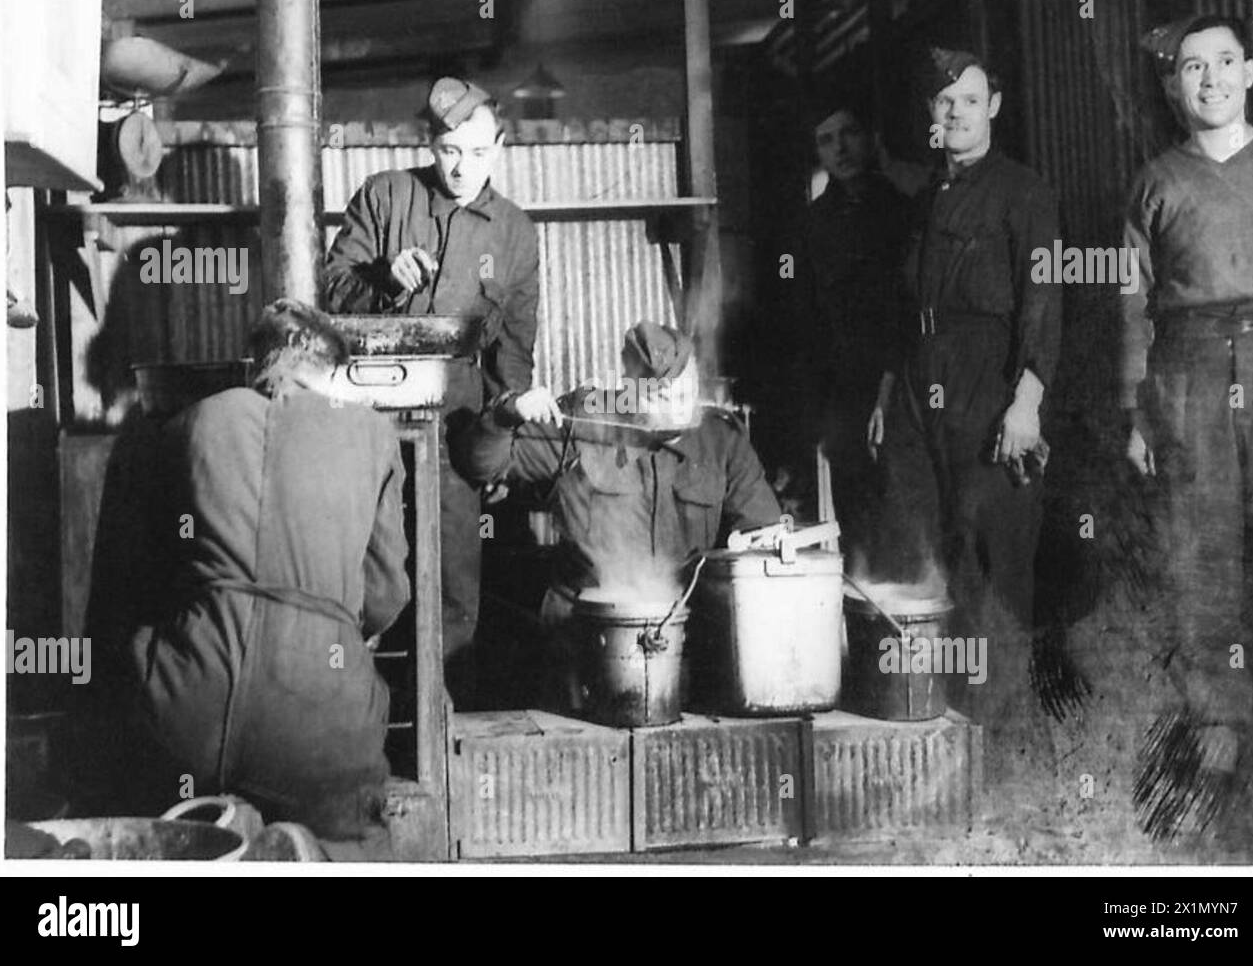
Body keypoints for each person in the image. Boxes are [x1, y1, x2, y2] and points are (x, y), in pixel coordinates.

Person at [89, 300, 410, 839]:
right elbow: (385, 596)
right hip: (317, 731)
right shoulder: (373, 433)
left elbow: (139, 586)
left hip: (185, 718)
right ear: (330, 370)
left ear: (254, 362)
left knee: (167, 840)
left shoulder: (186, 424)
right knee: (340, 848)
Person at [867, 48, 1062, 738]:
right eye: (944, 102)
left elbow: (1043, 298)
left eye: (970, 101)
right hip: (922, 383)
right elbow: (902, 303)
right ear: (930, 113)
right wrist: (890, 389)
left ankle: (1002, 734)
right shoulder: (926, 196)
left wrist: (1027, 400)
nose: (956, 113)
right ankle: (937, 725)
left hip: (991, 382)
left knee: (992, 553)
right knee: (920, 540)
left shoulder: (1024, 191)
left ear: (994, 109)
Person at [322, 76, 551, 659]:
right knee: (364, 572)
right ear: (430, 145)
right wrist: (382, 277)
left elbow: (514, 352)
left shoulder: (516, 234)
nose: (461, 168)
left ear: (499, 147)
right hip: (368, 418)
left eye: (477, 153)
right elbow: (328, 291)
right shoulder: (383, 196)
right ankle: (357, 705)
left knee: (452, 590)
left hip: (457, 424)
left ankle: (445, 715)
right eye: (449, 151)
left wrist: (497, 451)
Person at [452, 321, 782, 709]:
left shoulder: (722, 442)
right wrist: (506, 415)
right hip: (583, 637)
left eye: (686, 392)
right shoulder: (586, 421)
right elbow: (479, 466)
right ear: (631, 390)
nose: (678, 406)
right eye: (660, 395)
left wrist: (759, 546)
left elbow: (762, 535)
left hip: (685, 638)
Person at [1122, 16, 1253, 845]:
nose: (1208, 79)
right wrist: (1133, 407)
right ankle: (1216, 735)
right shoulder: (1155, 181)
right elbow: (1128, 303)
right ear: (1173, 86)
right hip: (1187, 372)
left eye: (1223, 63)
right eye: (1189, 68)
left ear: (1251, 71)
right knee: (1200, 552)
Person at [802, 101, 912, 564]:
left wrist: (887, 391)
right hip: (843, 386)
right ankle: (867, 615)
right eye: (826, 140)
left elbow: (906, 304)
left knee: (903, 508)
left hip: (899, 376)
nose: (840, 148)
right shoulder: (814, 221)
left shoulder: (901, 211)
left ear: (869, 137)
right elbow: (807, 316)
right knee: (854, 514)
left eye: (848, 133)